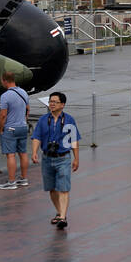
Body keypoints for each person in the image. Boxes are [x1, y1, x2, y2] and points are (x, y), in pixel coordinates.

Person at [30, 91, 78, 229]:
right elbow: (36, 136)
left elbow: (74, 141)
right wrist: (34, 152)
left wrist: (76, 158)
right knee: (52, 189)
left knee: (63, 188)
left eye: (55, 102)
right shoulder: (43, 120)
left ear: (62, 105)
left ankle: (63, 217)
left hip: (63, 158)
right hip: (47, 158)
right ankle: (59, 212)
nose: (52, 104)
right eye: (50, 101)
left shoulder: (69, 120)